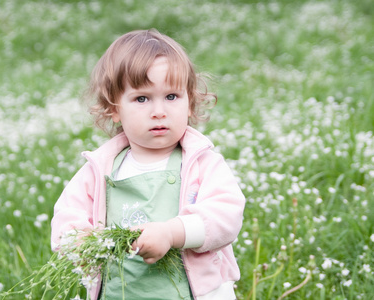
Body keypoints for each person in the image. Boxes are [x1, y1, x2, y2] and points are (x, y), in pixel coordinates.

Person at [51, 29, 245, 300]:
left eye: (171, 96)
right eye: (142, 98)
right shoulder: (100, 169)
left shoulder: (202, 163)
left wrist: (172, 233)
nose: (159, 111)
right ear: (115, 109)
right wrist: (83, 243)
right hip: (122, 292)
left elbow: (226, 215)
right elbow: (67, 217)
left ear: (190, 101)